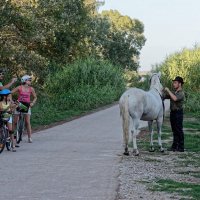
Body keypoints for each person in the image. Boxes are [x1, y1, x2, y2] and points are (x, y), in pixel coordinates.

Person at [12, 75, 37, 143]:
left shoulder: (31, 89)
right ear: (25, 81)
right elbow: (10, 93)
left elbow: (35, 97)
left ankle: (29, 137)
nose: (30, 81)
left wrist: (33, 103)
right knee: (14, 122)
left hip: (27, 105)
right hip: (19, 104)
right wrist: (12, 101)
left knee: (27, 122)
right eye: (29, 80)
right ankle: (11, 136)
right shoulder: (19, 87)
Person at [164, 76, 185, 152]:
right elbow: (165, 96)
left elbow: (175, 98)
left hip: (178, 113)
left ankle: (181, 147)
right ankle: (174, 146)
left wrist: (168, 91)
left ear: (180, 84)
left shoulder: (181, 93)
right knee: (174, 130)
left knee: (179, 130)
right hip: (173, 113)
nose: (173, 84)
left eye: (175, 83)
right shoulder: (174, 92)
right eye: (173, 82)